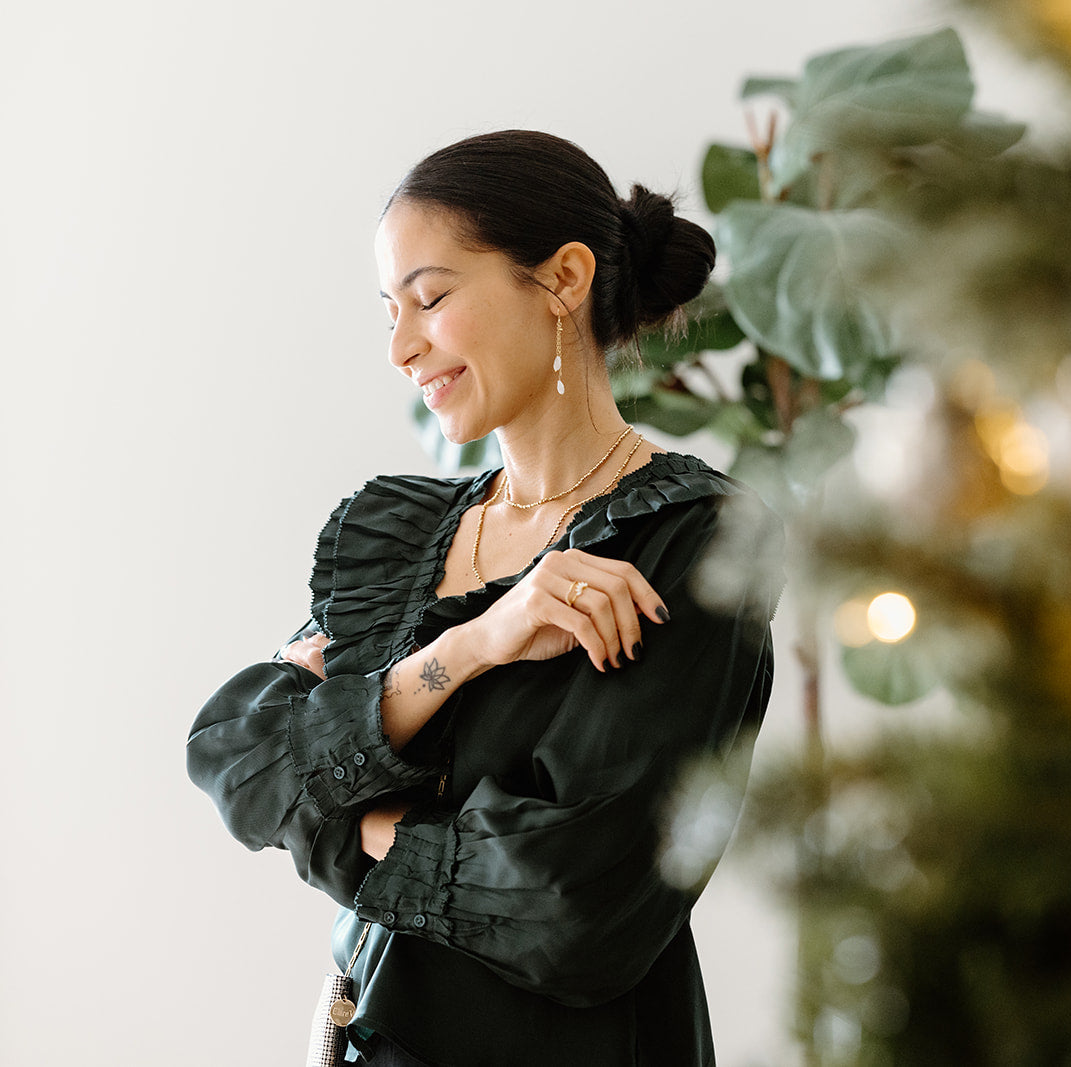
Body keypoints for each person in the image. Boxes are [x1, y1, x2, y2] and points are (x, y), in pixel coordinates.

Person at [187, 130, 784, 1067]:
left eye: (430, 298)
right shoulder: (391, 534)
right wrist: (473, 645)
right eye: (388, 309)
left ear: (564, 279)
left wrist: (351, 822)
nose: (399, 345)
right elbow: (239, 754)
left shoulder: (689, 538)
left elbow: (577, 910)